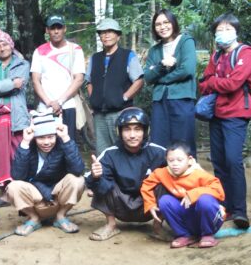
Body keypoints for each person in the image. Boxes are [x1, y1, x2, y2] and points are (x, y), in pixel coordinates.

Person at [198, 13, 251, 230]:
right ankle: (225, 207)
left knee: (233, 161)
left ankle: (240, 211)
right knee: (219, 162)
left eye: (227, 29)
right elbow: (203, 83)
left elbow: (234, 84)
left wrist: (214, 81)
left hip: (236, 114)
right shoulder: (216, 56)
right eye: (219, 30)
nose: (223, 33)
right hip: (216, 114)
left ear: (236, 30)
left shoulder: (246, 53)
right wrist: (215, 82)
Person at [86, 107, 166, 241]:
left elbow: (184, 167)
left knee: (169, 180)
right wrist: (95, 176)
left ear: (145, 131)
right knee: (100, 180)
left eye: (137, 129)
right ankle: (111, 225)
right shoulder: (110, 153)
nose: (132, 135)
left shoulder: (158, 152)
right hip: (120, 205)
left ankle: (158, 226)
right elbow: (88, 180)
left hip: (149, 207)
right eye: (127, 129)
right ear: (119, 131)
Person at [7, 111, 86, 236]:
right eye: (41, 137)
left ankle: (60, 217)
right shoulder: (28, 146)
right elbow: (17, 176)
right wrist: (25, 142)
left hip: (58, 198)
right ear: (35, 137)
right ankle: (33, 218)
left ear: (56, 135)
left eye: (50, 137)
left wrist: (66, 138)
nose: (46, 142)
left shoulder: (62, 144)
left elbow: (78, 169)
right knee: (13, 186)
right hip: (36, 200)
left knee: (77, 180)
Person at [141, 141, 226, 248]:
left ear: (189, 160)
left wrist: (194, 194)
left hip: (208, 218)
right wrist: (150, 204)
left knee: (205, 200)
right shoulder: (162, 172)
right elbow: (146, 184)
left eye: (180, 160)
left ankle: (207, 235)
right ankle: (184, 235)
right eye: (171, 160)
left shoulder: (199, 174)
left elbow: (219, 191)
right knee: (165, 200)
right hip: (188, 217)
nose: (175, 164)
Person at [0, 30, 30, 208]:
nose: (2, 48)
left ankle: (19, 190)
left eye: (4, 44)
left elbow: (21, 83)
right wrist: (11, 83)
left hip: (16, 115)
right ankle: (5, 193)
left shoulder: (22, 64)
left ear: (11, 44)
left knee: (18, 152)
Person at [142, 9, 198, 156]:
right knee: (159, 143)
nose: (162, 27)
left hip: (182, 99)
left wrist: (161, 79)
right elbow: (147, 76)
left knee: (183, 142)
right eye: (158, 24)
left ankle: (187, 177)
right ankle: (162, 177)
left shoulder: (186, 41)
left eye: (166, 22)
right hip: (160, 101)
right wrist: (161, 65)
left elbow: (187, 70)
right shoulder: (155, 50)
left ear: (173, 23)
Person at [86, 18, 144, 156]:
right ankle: (106, 177)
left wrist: (124, 97)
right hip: (99, 114)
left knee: (123, 149)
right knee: (103, 152)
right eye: (102, 32)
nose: (106, 35)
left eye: (110, 32)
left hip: (120, 112)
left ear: (118, 36)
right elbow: (88, 81)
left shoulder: (127, 55)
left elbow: (139, 80)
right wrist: (94, 98)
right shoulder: (95, 58)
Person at [31, 15, 85, 142]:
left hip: (68, 106)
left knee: (68, 144)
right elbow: (35, 80)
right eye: (52, 28)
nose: (56, 31)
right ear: (47, 30)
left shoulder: (75, 49)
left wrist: (60, 101)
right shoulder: (39, 51)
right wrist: (49, 102)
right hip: (45, 108)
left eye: (59, 27)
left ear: (64, 29)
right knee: (46, 145)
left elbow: (79, 79)